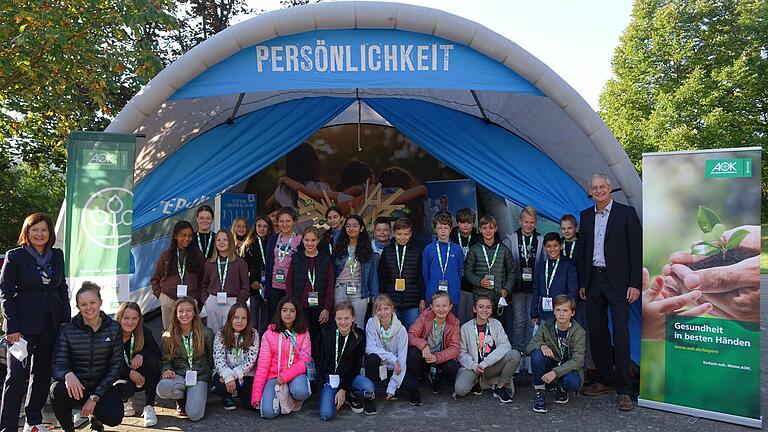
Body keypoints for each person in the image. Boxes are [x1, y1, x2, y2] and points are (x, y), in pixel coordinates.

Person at [0, 213, 71, 432]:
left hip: (51, 324)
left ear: (50, 233)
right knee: (17, 376)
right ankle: (8, 426)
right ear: (27, 232)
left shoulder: (57, 255)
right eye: (35, 230)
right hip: (21, 328)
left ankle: (33, 420)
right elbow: (5, 292)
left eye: (44, 230)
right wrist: (12, 326)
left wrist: (65, 321)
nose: (40, 234)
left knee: (40, 375)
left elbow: (62, 288)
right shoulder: (16, 256)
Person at [576, 173, 641, 411]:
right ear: (590, 191)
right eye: (595, 188)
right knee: (598, 333)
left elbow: (636, 252)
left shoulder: (626, 214)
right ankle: (605, 379)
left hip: (620, 284)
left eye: (603, 187)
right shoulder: (585, 215)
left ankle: (624, 389)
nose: (599, 190)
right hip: (594, 281)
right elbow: (583, 253)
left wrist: (635, 283)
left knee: (621, 334)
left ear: (610, 188)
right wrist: (583, 283)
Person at [50, 283, 124, 432]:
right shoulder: (67, 330)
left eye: (92, 302)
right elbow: (57, 364)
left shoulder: (114, 328)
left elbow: (116, 366)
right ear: (77, 307)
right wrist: (67, 374)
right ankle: (68, 429)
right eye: (83, 304)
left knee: (114, 416)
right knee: (56, 389)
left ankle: (95, 418)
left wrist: (95, 396)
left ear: (100, 302)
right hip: (77, 387)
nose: (88, 308)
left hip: (101, 387)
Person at [250, 296, 312, 419]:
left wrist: (285, 376)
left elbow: (306, 360)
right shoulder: (269, 334)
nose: (288, 314)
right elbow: (263, 365)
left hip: (294, 375)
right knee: (268, 413)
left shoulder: (304, 333)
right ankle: (283, 396)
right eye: (284, 310)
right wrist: (256, 396)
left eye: (292, 310)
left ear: (297, 313)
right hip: (274, 377)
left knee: (301, 391)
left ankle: (291, 394)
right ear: (279, 311)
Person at [156, 297, 215, 421]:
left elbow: (211, 358)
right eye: (181, 311)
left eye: (188, 310)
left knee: (194, 415)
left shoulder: (206, 333)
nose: (184, 314)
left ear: (194, 313)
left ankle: (199, 393)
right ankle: (181, 398)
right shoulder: (168, 335)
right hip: (179, 376)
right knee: (162, 388)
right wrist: (166, 369)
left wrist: (208, 377)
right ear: (176, 314)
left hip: (200, 376)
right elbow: (165, 360)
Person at [526, 295, 586, 413]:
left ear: (572, 313)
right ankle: (540, 393)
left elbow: (578, 360)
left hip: (567, 368)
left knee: (572, 382)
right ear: (553, 311)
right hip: (551, 363)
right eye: (558, 310)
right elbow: (529, 347)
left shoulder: (579, 332)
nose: (561, 314)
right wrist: (542, 345)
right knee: (537, 355)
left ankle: (561, 389)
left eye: (565, 310)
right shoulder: (547, 326)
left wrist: (555, 373)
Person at [454, 296, 520, 403]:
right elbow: (461, 353)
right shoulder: (465, 328)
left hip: (490, 366)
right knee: (460, 389)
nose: (484, 310)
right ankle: (478, 382)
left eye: (488, 307)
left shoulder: (496, 324)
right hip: (473, 367)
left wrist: (486, 362)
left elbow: (505, 346)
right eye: (481, 307)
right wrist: (473, 366)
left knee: (514, 355)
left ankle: (500, 387)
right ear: (474, 309)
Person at [317, 302, 376, 420]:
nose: (343, 322)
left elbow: (355, 366)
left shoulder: (359, 336)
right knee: (326, 414)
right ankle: (337, 396)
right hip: (330, 378)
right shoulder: (326, 333)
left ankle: (349, 394)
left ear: (353, 318)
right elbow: (318, 359)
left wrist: (343, 388)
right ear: (334, 318)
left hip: (349, 376)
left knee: (369, 388)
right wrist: (322, 383)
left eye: (347, 318)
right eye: (339, 318)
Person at [502, 206, 544, 372]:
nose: (528, 225)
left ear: (536, 222)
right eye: (526, 222)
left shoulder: (540, 240)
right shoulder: (511, 239)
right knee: (519, 321)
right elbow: (506, 265)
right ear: (520, 221)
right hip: (518, 288)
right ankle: (518, 355)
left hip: (534, 289)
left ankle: (529, 354)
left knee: (532, 321)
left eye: (532, 222)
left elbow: (544, 263)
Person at [364, 295, 420, 408]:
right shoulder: (371, 323)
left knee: (414, 387)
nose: (383, 313)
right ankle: (369, 397)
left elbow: (402, 360)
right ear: (375, 311)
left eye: (386, 308)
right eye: (379, 309)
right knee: (372, 358)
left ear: (392, 309)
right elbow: (369, 348)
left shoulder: (401, 330)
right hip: (379, 367)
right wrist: (392, 358)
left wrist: (392, 387)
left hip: (396, 368)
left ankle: (393, 385)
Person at [286, 226, 335, 353]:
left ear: (318, 240)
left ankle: (317, 365)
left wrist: (326, 308)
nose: (310, 243)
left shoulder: (326, 258)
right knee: (302, 338)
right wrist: (292, 304)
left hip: (320, 307)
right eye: (307, 240)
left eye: (313, 240)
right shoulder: (296, 258)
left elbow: (330, 285)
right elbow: (289, 282)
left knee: (318, 339)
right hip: (300, 306)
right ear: (302, 240)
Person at [114, 302, 161, 427]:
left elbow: (157, 353)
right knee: (123, 388)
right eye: (126, 318)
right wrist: (128, 372)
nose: (130, 322)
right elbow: (107, 364)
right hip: (120, 377)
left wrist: (142, 354)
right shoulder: (111, 335)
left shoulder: (143, 332)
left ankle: (149, 406)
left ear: (139, 319)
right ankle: (125, 401)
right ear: (119, 317)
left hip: (141, 378)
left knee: (152, 361)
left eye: (134, 318)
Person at [152, 220, 203, 330]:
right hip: (169, 300)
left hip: (190, 301)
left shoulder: (198, 256)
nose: (187, 239)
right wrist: (161, 297)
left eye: (189, 236)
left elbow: (202, 280)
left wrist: (197, 298)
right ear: (175, 236)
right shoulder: (166, 256)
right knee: (170, 334)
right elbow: (155, 279)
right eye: (183, 235)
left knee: (190, 333)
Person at [406, 292, 460, 394]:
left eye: (444, 306)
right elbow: (410, 335)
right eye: (437, 305)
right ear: (431, 306)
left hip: (439, 358)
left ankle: (437, 378)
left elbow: (455, 348)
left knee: (452, 367)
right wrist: (423, 346)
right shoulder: (425, 316)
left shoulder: (454, 322)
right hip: (424, 356)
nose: (441, 309)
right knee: (413, 352)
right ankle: (414, 382)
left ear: (450, 307)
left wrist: (436, 357)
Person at [378, 218, 425, 328]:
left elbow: (421, 277)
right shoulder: (387, 251)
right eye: (399, 234)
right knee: (393, 331)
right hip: (391, 301)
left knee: (413, 332)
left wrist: (422, 298)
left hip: (413, 301)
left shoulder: (417, 251)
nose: (402, 237)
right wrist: (383, 298)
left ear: (411, 234)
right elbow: (381, 277)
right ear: (393, 234)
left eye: (406, 234)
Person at [463, 215, 515, 315]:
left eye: (491, 228)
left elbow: (512, 272)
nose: (488, 231)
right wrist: (479, 282)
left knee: (498, 327)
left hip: (499, 297)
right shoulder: (474, 249)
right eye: (484, 228)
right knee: (481, 327)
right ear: (480, 229)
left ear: (495, 229)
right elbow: (467, 272)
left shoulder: (504, 249)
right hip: (480, 297)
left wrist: (507, 289)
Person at [200, 229, 249, 333]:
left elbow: (245, 287)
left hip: (232, 302)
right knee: (212, 332)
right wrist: (206, 300)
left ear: (230, 242)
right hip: (213, 301)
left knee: (230, 333)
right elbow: (203, 284)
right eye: (218, 240)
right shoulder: (210, 263)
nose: (221, 242)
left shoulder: (240, 262)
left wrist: (238, 304)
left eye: (225, 240)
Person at [334, 215, 378, 329]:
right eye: (348, 226)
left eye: (355, 225)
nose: (351, 228)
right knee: (341, 325)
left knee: (358, 325)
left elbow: (373, 276)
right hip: (340, 289)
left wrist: (374, 298)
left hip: (359, 291)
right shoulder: (339, 247)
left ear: (361, 228)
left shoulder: (368, 249)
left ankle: (358, 347)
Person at [212, 303, 259, 410]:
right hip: (225, 373)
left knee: (249, 403)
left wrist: (235, 375)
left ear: (248, 320)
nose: (240, 321)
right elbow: (219, 358)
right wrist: (227, 376)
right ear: (230, 318)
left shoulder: (253, 334)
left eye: (243, 318)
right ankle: (226, 396)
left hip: (245, 374)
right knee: (221, 385)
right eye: (236, 317)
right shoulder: (221, 334)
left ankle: (238, 392)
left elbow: (251, 359)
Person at [530, 233, 578, 324]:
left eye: (555, 246)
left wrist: (569, 312)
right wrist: (534, 313)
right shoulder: (540, 266)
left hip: (562, 314)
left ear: (561, 246)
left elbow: (573, 292)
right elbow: (536, 291)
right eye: (548, 246)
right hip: (544, 314)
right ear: (544, 247)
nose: (552, 249)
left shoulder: (569, 266)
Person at [264, 207, 303, 318]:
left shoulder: (300, 240)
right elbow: (268, 262)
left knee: (290, 317)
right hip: (274, 286)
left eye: (288, 221)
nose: (284, 224)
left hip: (291, 287)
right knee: (274, 317)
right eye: (281, 221)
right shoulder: (273, 238)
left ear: (294, 222)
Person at [422, 212, 463, 313]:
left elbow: (459, 271)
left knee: (452, 324)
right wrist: (432, 286)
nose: (443, 231)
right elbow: (425, 274)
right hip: (433, 293)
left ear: (451, 229)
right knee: (432, 325)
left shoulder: (457, 249)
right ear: (435, 229)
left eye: (446, 228)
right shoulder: (428, 249)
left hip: (452, 293)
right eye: (440, 228)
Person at [241, 215, 273, 335]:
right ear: (255, 227)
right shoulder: (249, 244)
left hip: (269, 287)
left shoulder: (273, 242)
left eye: (265, 226)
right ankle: (253, 345)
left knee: (266, 321)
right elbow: (244, 268)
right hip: (254, 288)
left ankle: (264, 347)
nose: (262, 229)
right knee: (253, 320)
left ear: (269, 228)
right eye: (259, 226)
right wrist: (251, 282)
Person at [450, 207, 481, 324]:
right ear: (457, 223)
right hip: (455, 284)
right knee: (455, 317)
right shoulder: (451, 238)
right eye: (463, 222)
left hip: (472, 285)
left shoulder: (478, 239)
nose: (466, 225)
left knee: (469, 317)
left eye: (469, 222)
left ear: (473, 223)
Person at [559, 214, 584, 325]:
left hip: (578, 288)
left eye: (569, 228)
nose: (566, 231)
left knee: (578, 319)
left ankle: (579, 342)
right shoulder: (558, 245)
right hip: (562, 288)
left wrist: (583, 285)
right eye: (563, 229)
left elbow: (585, 267)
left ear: (576, 228)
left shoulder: (583, 244)